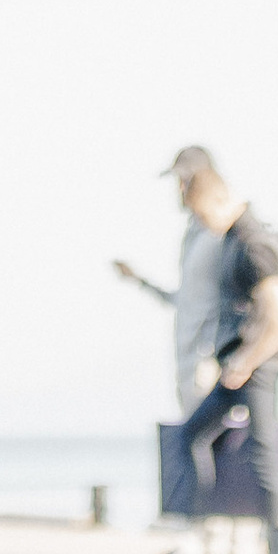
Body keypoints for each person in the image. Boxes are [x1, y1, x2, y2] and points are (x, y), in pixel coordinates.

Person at [165, 157, 278, 554]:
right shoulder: (229, 241)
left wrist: (244, 363)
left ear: (221, 199)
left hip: (255, 368)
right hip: (235, 366)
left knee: (266, 457)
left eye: (204, 214)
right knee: (191, 435)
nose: (203, 223)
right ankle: (208, 534)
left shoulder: (254, 243)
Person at [111, 139, 225, 415]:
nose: (180, 190)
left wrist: (221, 361)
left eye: (184, 180)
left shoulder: (219, 235)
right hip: (187, 367)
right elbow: (185, 301)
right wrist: (139, 280)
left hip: (209, 369)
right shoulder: (194, 234)